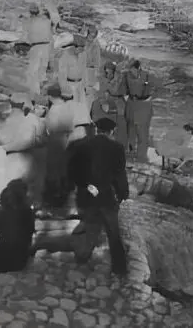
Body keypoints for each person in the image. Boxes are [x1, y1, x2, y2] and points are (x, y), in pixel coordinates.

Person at [66, 117, 129, 275]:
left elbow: (70, 170)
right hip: (106, 196)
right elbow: (119, 174)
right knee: (113, 233)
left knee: (89, 228)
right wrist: (123, 193)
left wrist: (86, 185)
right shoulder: (117, 148)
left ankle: (81, 260)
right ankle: (119, 270)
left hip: (85, 195)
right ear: (112, 131)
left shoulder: (79, 145)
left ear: (96, 129)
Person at [122, 60, 155, 162]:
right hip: (131, 104)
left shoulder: (147, 76)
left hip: (144, 106)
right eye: (129, 69)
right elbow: (124, 89)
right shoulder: (126, 75)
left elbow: (155, 90)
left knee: (142, 133)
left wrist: (147, 91)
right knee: (130, 131)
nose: (131, 72)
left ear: (138, 68)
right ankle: (130, 154)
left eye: (132, 70)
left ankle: (141, 157)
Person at [58, 42, 90, 140]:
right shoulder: (65, 55)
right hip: (70, 84)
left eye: (83, 49)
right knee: (71, 109)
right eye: (80, 48)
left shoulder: (83, 54)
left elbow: (85, 70)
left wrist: (86, 85)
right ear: (75, 47)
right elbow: (61, 73)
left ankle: (82, 133)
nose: (81, 51)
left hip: (80, 84)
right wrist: (64, 89)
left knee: (83, 109)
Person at [92, 62, 128, 149]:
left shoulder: (120, 79)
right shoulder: (102, 80)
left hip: (118, 105)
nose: (107, 73)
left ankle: (121, 146)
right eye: (106, 71)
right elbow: (100, 93)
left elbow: (117, 91)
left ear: (113, 71)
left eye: (109, 71)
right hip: (107, 106)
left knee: (121, 126)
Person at [23, 0, 53, 97]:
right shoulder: (46, 20)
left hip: (36, 47)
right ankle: (41, 90)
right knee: (42, 69)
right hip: (46, 46)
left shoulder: (30, 21)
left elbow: (25, 35)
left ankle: (34, 93)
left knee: (33, 71)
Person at [82, 25, 102, 115]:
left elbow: (97, 63)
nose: (91, 37)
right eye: (90, 35)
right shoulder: (83, 42)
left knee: (88, 95)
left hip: (90, 71)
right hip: (82, 69)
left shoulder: (96, 45)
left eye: (93, 36)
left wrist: (96, 79)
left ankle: (86, 114)